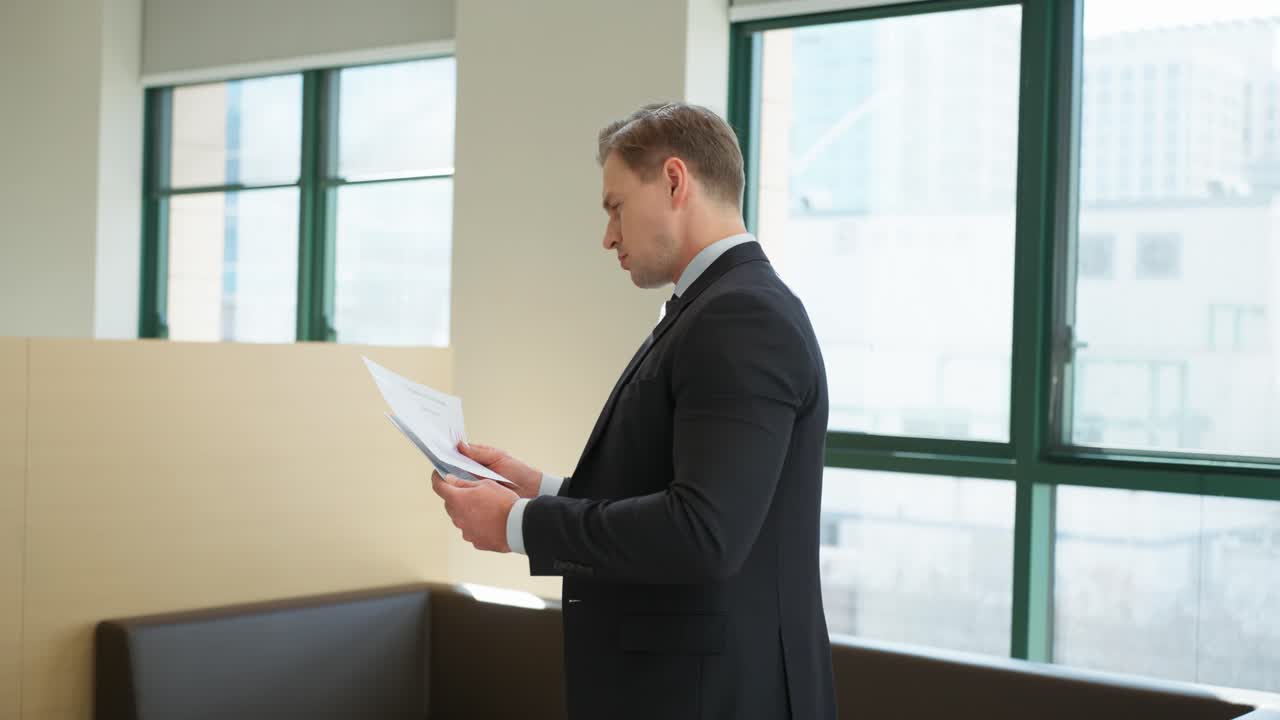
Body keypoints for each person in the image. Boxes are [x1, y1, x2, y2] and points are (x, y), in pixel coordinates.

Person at [431, 101, 837, 720]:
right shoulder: (714, 307)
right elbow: (674, 494)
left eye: (615, 206)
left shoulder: (741, 316)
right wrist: (539, 488)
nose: (608, 235)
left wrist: (518, 524)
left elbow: (704, 533)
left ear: (675, 181)